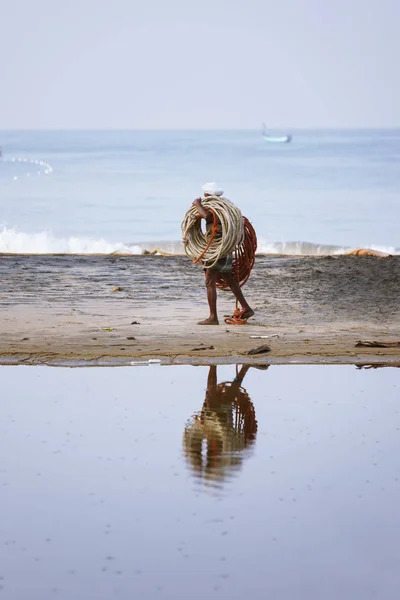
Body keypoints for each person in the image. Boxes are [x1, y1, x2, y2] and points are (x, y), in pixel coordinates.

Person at [192, 182, 254, 325]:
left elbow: (208, 216)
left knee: (209, 281)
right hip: (225, 249)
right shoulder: (226, 207)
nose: (203, 196)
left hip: (217, 249)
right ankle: (246, 307)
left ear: (208, 195)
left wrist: (197, 205)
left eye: (205, 194)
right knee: (228, 278)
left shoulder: (215, 208)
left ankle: (213, 317)